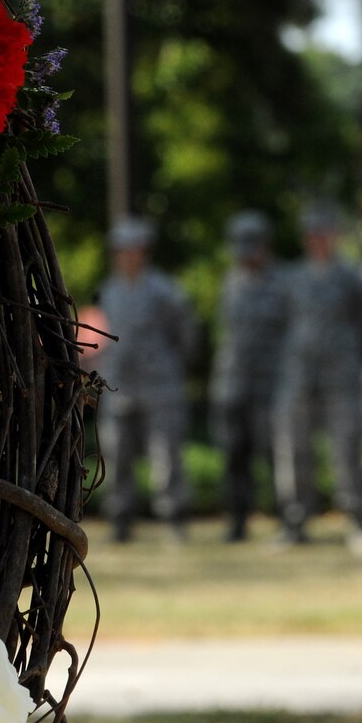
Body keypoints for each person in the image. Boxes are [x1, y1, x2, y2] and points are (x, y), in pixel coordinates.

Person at [275, 205, 362, 545]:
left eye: (324, 232)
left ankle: (359, 522)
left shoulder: (351, 279)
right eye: (312, 234)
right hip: (299, 376)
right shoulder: (290, 279)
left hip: (341, 376)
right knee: (294, 449)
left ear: (335, 236)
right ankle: (295, 523)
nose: (318, 240)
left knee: (347, 449)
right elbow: (279, 325)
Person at [96, 218, 197, 543]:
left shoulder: (165, 290)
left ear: (145, 252)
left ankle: (173, 518)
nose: (127, 256)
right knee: (116, 452)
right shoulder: (109, 290)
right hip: (119, 385)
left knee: (165, 454)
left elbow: (186, 335)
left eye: (133, 250)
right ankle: (121, 520)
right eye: (121, 251)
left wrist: (172, 368)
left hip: (159, 385)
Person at [211, 210, 288, 543]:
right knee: (234, 455)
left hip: (270, 382)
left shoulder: (284, 284)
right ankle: (238, 521)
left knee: (273, 453)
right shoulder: (231, 282)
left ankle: (288, 519)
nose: (246, 253)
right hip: (233, 383)